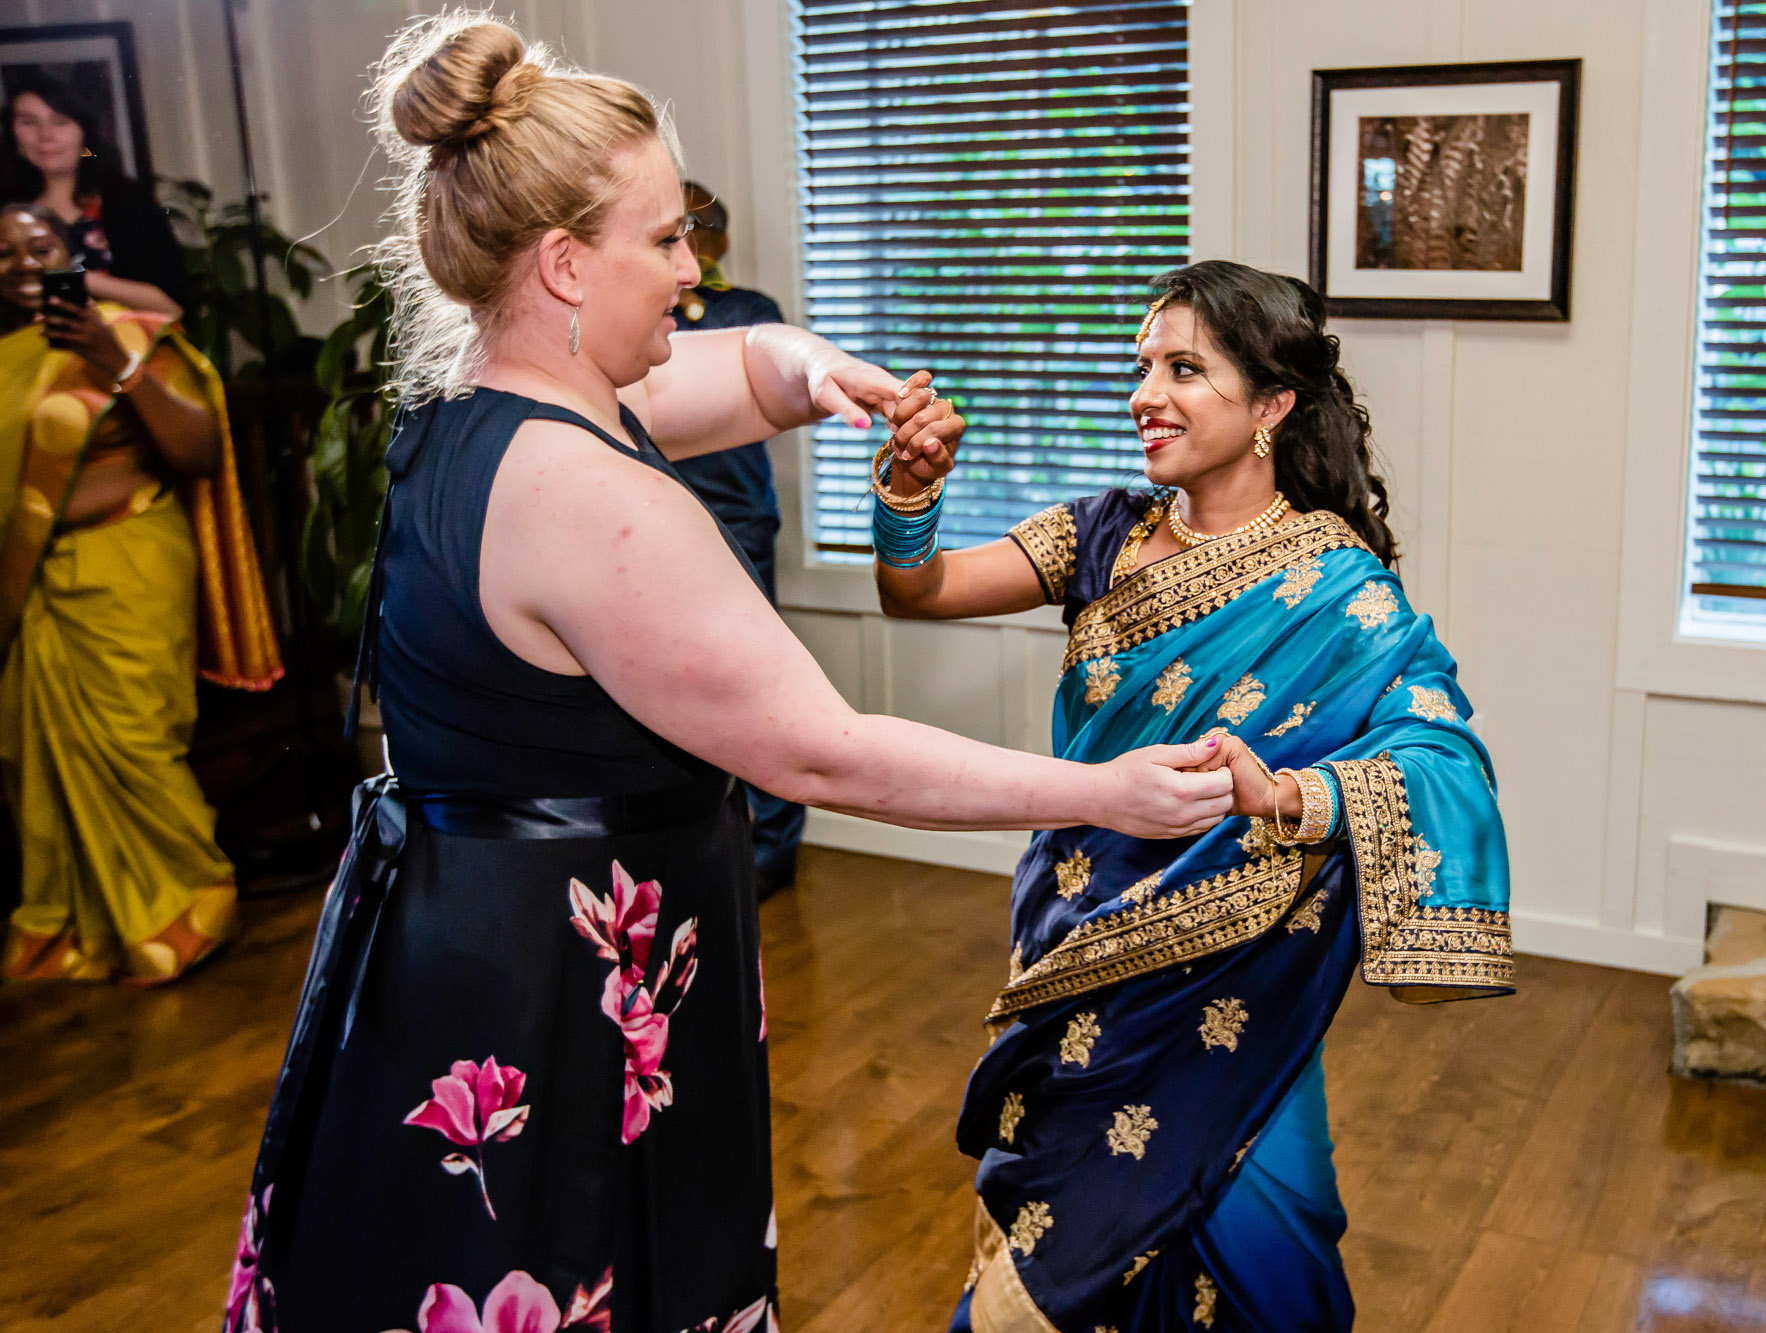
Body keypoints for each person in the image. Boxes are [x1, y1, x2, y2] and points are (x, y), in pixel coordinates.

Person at [221, 16, 1234, 1333]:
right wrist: (1107, 790)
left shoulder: (480, 406)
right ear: (567, 264)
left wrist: (832, 376)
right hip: (559, 1002)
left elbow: (750, 371)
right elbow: (825, 752)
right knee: (577, 1256)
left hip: (454, 945)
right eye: (665, 240)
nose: (694, 271)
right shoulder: (597, 499)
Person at [875, 260, 1514, 1332]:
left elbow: (1437, 754)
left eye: (1184, 369)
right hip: (1079, 944)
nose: (1145, 394)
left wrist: (1297, 795)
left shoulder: (1340, 587)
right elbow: (919, 591)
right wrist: (906, 491)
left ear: (1272, 405)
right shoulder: (1098, 533)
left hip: (1234, 984)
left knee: (1266, 1238)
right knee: (1058, 1227)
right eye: (1141, 366)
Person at [0, 202, 280, 984]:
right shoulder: (4, 361)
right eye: (3, 254)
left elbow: (196, 448)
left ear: (70, 253)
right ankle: (80, 926)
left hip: (129, 564)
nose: (23, 265)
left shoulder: (128, 331)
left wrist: (109, 359)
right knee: (39, 759)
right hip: (36, 588)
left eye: (39, 247)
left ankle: (185, 906)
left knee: (135, 741)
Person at [668, 180, 802, 898]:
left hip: (739, 521)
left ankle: (773, 847)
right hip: (660, 522)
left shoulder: (748, 312)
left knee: (757, 680)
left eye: (697, 227)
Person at [2, 75, 186, 317]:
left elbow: (172, 308)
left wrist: (72, 277)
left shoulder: (127, 203)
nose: (45, 135)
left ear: (84, 134)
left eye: (60, 121)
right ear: (12, 135)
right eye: (29, 122)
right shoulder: (6, 212)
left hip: (121, 350)